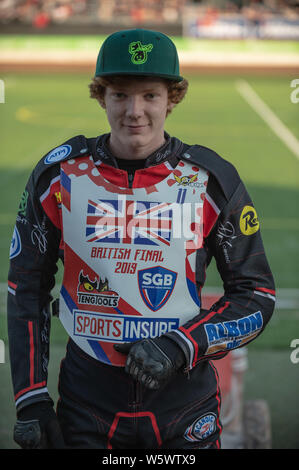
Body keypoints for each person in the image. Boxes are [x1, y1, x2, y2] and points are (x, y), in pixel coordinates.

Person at [8, 28, 275, 450]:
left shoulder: (211, 180)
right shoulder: (56, 177)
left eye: (150, 95)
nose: (135, 111)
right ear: (100, 96)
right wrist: (31, 398)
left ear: (172, 98)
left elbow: (257, 295)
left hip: (184, 404)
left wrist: (182, 345)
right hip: (86, 402)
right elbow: (25, 288)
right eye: (120, 95)